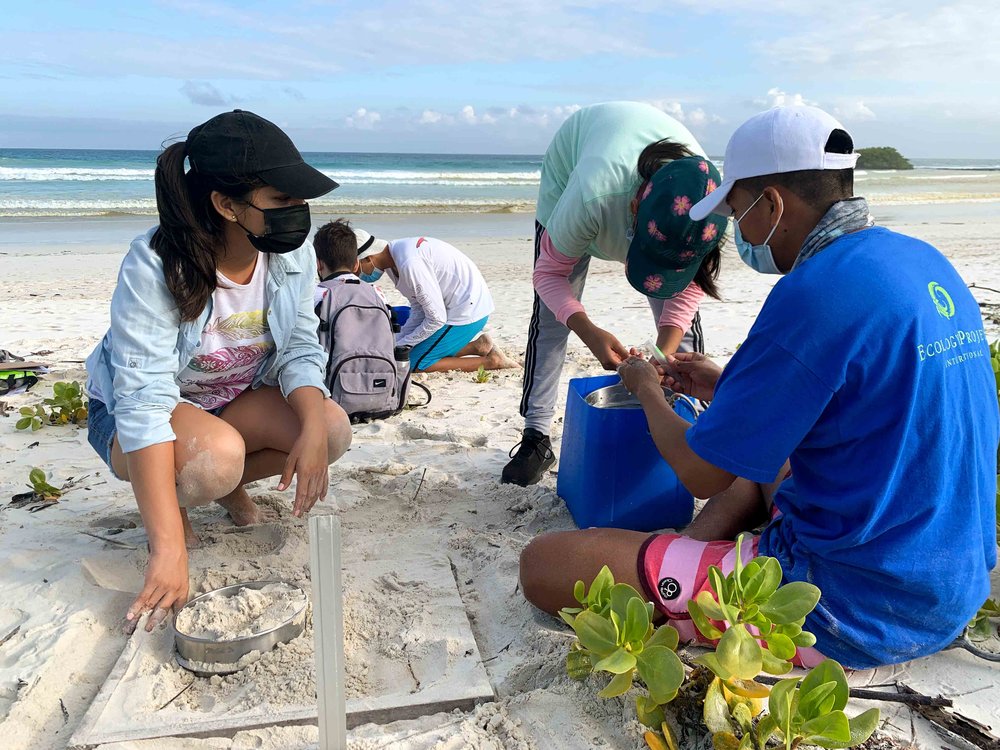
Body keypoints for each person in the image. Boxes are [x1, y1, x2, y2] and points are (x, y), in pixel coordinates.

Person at [518, 105, 999, 670]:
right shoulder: (920, 258)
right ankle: (699, 547)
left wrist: (647, 387)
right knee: (763, 465)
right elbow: (854, 405)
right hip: (952, 580)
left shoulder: (812, 294)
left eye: (736, 210)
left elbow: (703, 473)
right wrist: (724, 388)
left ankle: (696, 563)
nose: (736, 233)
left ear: (771, 203)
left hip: (849, 607)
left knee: (545, 563)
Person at [85, 110, 353, 632]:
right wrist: (167, 548)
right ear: (226, 204)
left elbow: (299, 347)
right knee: (215, 461)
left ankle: (222, 486)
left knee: (330, 427)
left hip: (230, 398)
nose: (299, 214)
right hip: (135, 415)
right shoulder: (155, 265)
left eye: (301, 200)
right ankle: (179, 502)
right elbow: (142, 403)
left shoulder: (290, 254)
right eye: (281, 201)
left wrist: (314, 429)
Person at [503, 101, 728, 487]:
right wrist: (588, 331)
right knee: (551, 320)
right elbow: (548, 275)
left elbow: (687, 293)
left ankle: (697, 424)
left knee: (682, 346)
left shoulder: (709, 209)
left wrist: (662, 353)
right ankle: (535, 436)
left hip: (657, 208)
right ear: (634, 207)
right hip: (573, 170)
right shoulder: (591, 195)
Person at [333, 220, 518, 373]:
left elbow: (436, 319)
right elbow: (418, 308)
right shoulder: (392, 258)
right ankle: (477, 346)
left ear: (367, 258)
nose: (358, 276)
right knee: (404, 352)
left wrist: (404, 344)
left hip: (466, 312)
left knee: (414, 363)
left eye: (356, 270)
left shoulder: (409, 264)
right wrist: (398, 342)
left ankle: (492, 361)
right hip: (456, 306)